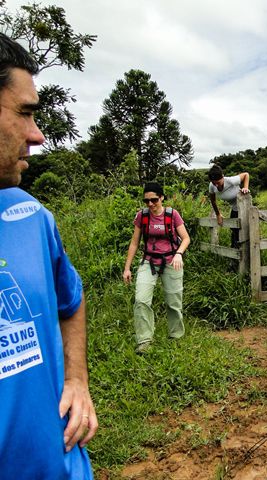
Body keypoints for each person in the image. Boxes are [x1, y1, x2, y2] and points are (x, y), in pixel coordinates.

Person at [0, 33, 97, 478]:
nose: (37, 135)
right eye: (24, 112)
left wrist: (77, 380)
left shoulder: (32, 217)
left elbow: (71, 301)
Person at [123, 182, 190, 353]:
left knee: (173, 302)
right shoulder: (142, 216)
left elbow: (186, 238)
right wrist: (127, 268)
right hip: (149, 261)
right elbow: (134, 243)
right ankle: (144, 340)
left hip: (171, 260)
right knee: (141, 300)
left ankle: (176, 336)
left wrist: (179, 254)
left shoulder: (172, 215)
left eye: (154, 200)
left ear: (161, 198)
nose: (150, 204)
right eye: (146, 201)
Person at [207, 164, 250, 248]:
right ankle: (235, 255)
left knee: (242, 233)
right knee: (234, 231)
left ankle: (243, 253)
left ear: (223, 176)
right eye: (213, 183)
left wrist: (245, 187)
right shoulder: (212, 186)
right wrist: (218, 214)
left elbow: (246, 175)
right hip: (234, 209)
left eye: (218, 182)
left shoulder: (231, 181)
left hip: (244, 209)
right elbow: (213, 201)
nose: (216, 185)